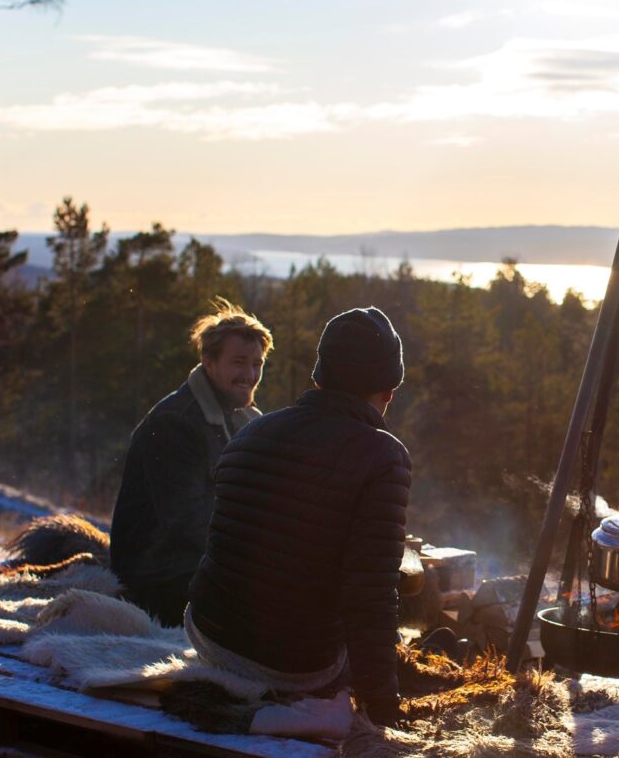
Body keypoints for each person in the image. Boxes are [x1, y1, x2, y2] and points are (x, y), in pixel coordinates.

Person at [185, 307, 411, 728]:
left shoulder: (252, 431)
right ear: (388, 391)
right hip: (292, 665)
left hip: (209, 632)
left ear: (318, 377)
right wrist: (382, 708)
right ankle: (304, 711)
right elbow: (371, 595)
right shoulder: (383, 456)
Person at [110, 299, 272, 626]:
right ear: (208, 361)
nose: (250, 375)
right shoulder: (176, 424)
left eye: (257, 363)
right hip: (158, 572)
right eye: (239, 362)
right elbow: (186, 520)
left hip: (198, 561)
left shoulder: (239, 420)